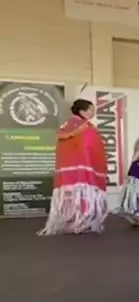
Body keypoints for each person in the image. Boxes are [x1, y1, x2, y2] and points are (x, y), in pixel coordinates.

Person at [39, 98, 109, 236]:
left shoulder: (67, 125)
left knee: (70, 195)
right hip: (83, 167)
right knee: (82, 194)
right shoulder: (84, 126)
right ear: (82, 111)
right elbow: (88, 147)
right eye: (91, 109)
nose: (93, 112)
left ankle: (69, 222)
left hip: (68, 168)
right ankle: (81, 222)